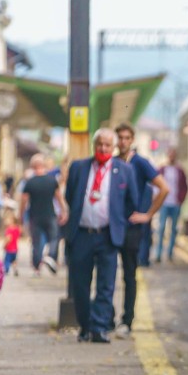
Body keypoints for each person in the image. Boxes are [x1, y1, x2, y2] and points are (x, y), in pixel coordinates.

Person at [64, 128, 144, 343]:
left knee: (106, 285)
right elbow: (70, 196)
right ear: (94, 145)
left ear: (114, 147)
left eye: (108, 145)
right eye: (100, 144)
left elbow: (132, 201)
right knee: (80, 284)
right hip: (82, 235)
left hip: (108, 235)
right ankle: (85, 326)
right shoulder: (79, 168)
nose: (103, 148)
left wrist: (118, 222)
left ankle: (99, 328)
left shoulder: (124, 170)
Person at [114, 123, 169, 338]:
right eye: (120, 137)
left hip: (132, 228)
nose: (123, 141)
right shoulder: (113, 161)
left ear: (132, 139)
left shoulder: (140, 163)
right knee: (108, 275)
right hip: (112, 227)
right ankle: (107, 318)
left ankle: (127, 320)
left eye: (127, 138)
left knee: (129, 275)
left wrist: (148, 215)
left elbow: (164, 188)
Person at [18, 154, 67, 275]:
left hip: (35, 216)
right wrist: (64, 211)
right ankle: (50, 257)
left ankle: (36, 267)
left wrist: (21, 215)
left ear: (33, 166)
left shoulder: (29, 182)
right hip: (50, 214)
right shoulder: (52, 180)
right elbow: (59, 197)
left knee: (36, 242)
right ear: (43, 165)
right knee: (54, 238)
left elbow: (24, 201)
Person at [154, 148, 188, 263]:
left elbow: (184, 186)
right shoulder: (162, 169)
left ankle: (169, 253)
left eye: (174, 155)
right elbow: (156, 184)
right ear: (167, 156)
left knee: (173, 229)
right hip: (164, 203)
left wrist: (181, 200)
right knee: (161, 228)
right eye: (170, 155)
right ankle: (158, 253)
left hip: (175, 203)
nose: (172, 157)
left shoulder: (180, 171)